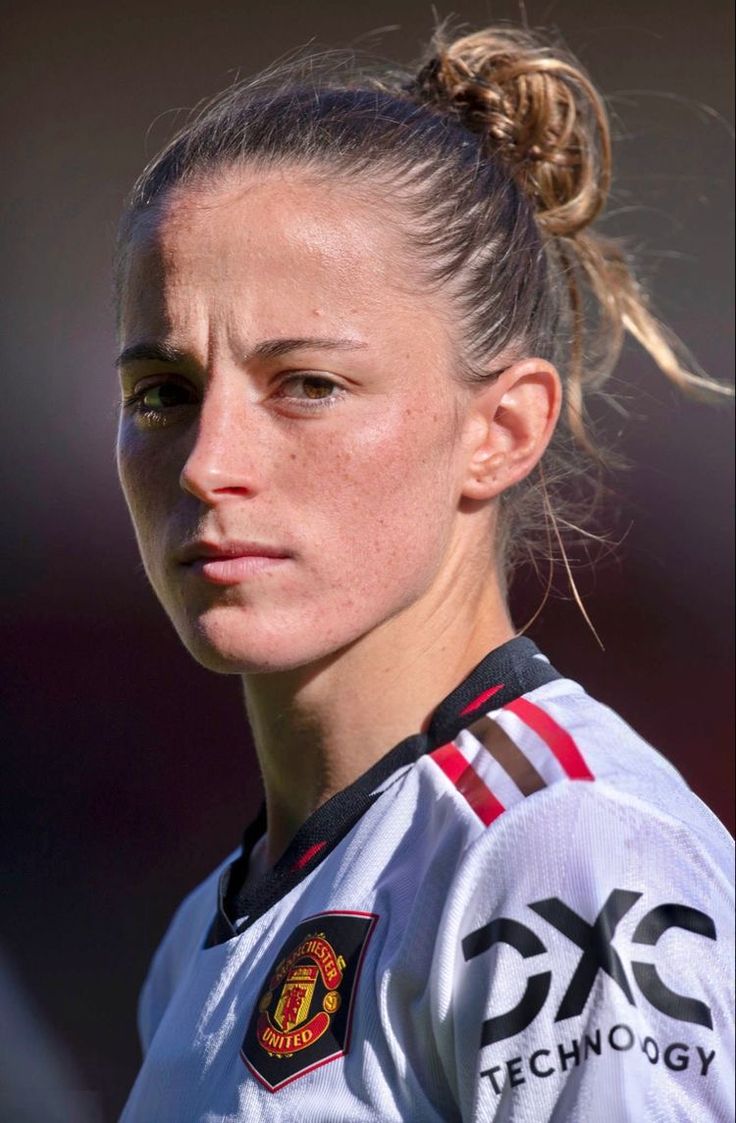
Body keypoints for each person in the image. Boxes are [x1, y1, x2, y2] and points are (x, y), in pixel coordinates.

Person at [114, 23, 734, 1122]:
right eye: (163, 392)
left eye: (305, 383)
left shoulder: (561, 849)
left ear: (500, 428)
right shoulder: (197, 939)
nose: (208, 463)